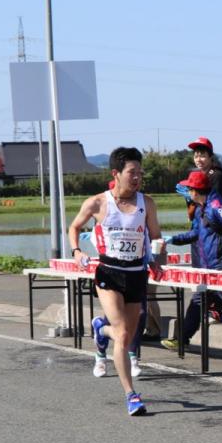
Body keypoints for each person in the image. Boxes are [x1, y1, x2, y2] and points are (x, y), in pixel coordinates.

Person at [67, 146, 166, 416]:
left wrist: (157, 258)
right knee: (123, 334)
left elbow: (156, 236)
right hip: (109, 272)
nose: (137, 178)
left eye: (140, 173)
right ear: (116, 173)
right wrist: (76, 251)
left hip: (136, 274)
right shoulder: (98, 203)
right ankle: (131, 394)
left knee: (127, 334)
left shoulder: (148, 203)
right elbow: (74, 227)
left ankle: (100, 329)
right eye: (132, 172)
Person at [160, 170, 222, 350]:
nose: (187, 192)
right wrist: (173, 239)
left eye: (189, 189)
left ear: (196, 190)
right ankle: (182, 339)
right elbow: (196, 233)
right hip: (208, 267)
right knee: (197, 302)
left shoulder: (216, 205)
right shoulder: (201, 209)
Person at [188, 136, 222, 203]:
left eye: (202, 156)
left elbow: (216, 202)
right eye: (196, 157)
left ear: (211, 157)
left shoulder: (216, 175)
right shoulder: (199, 174)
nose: (198, 160)